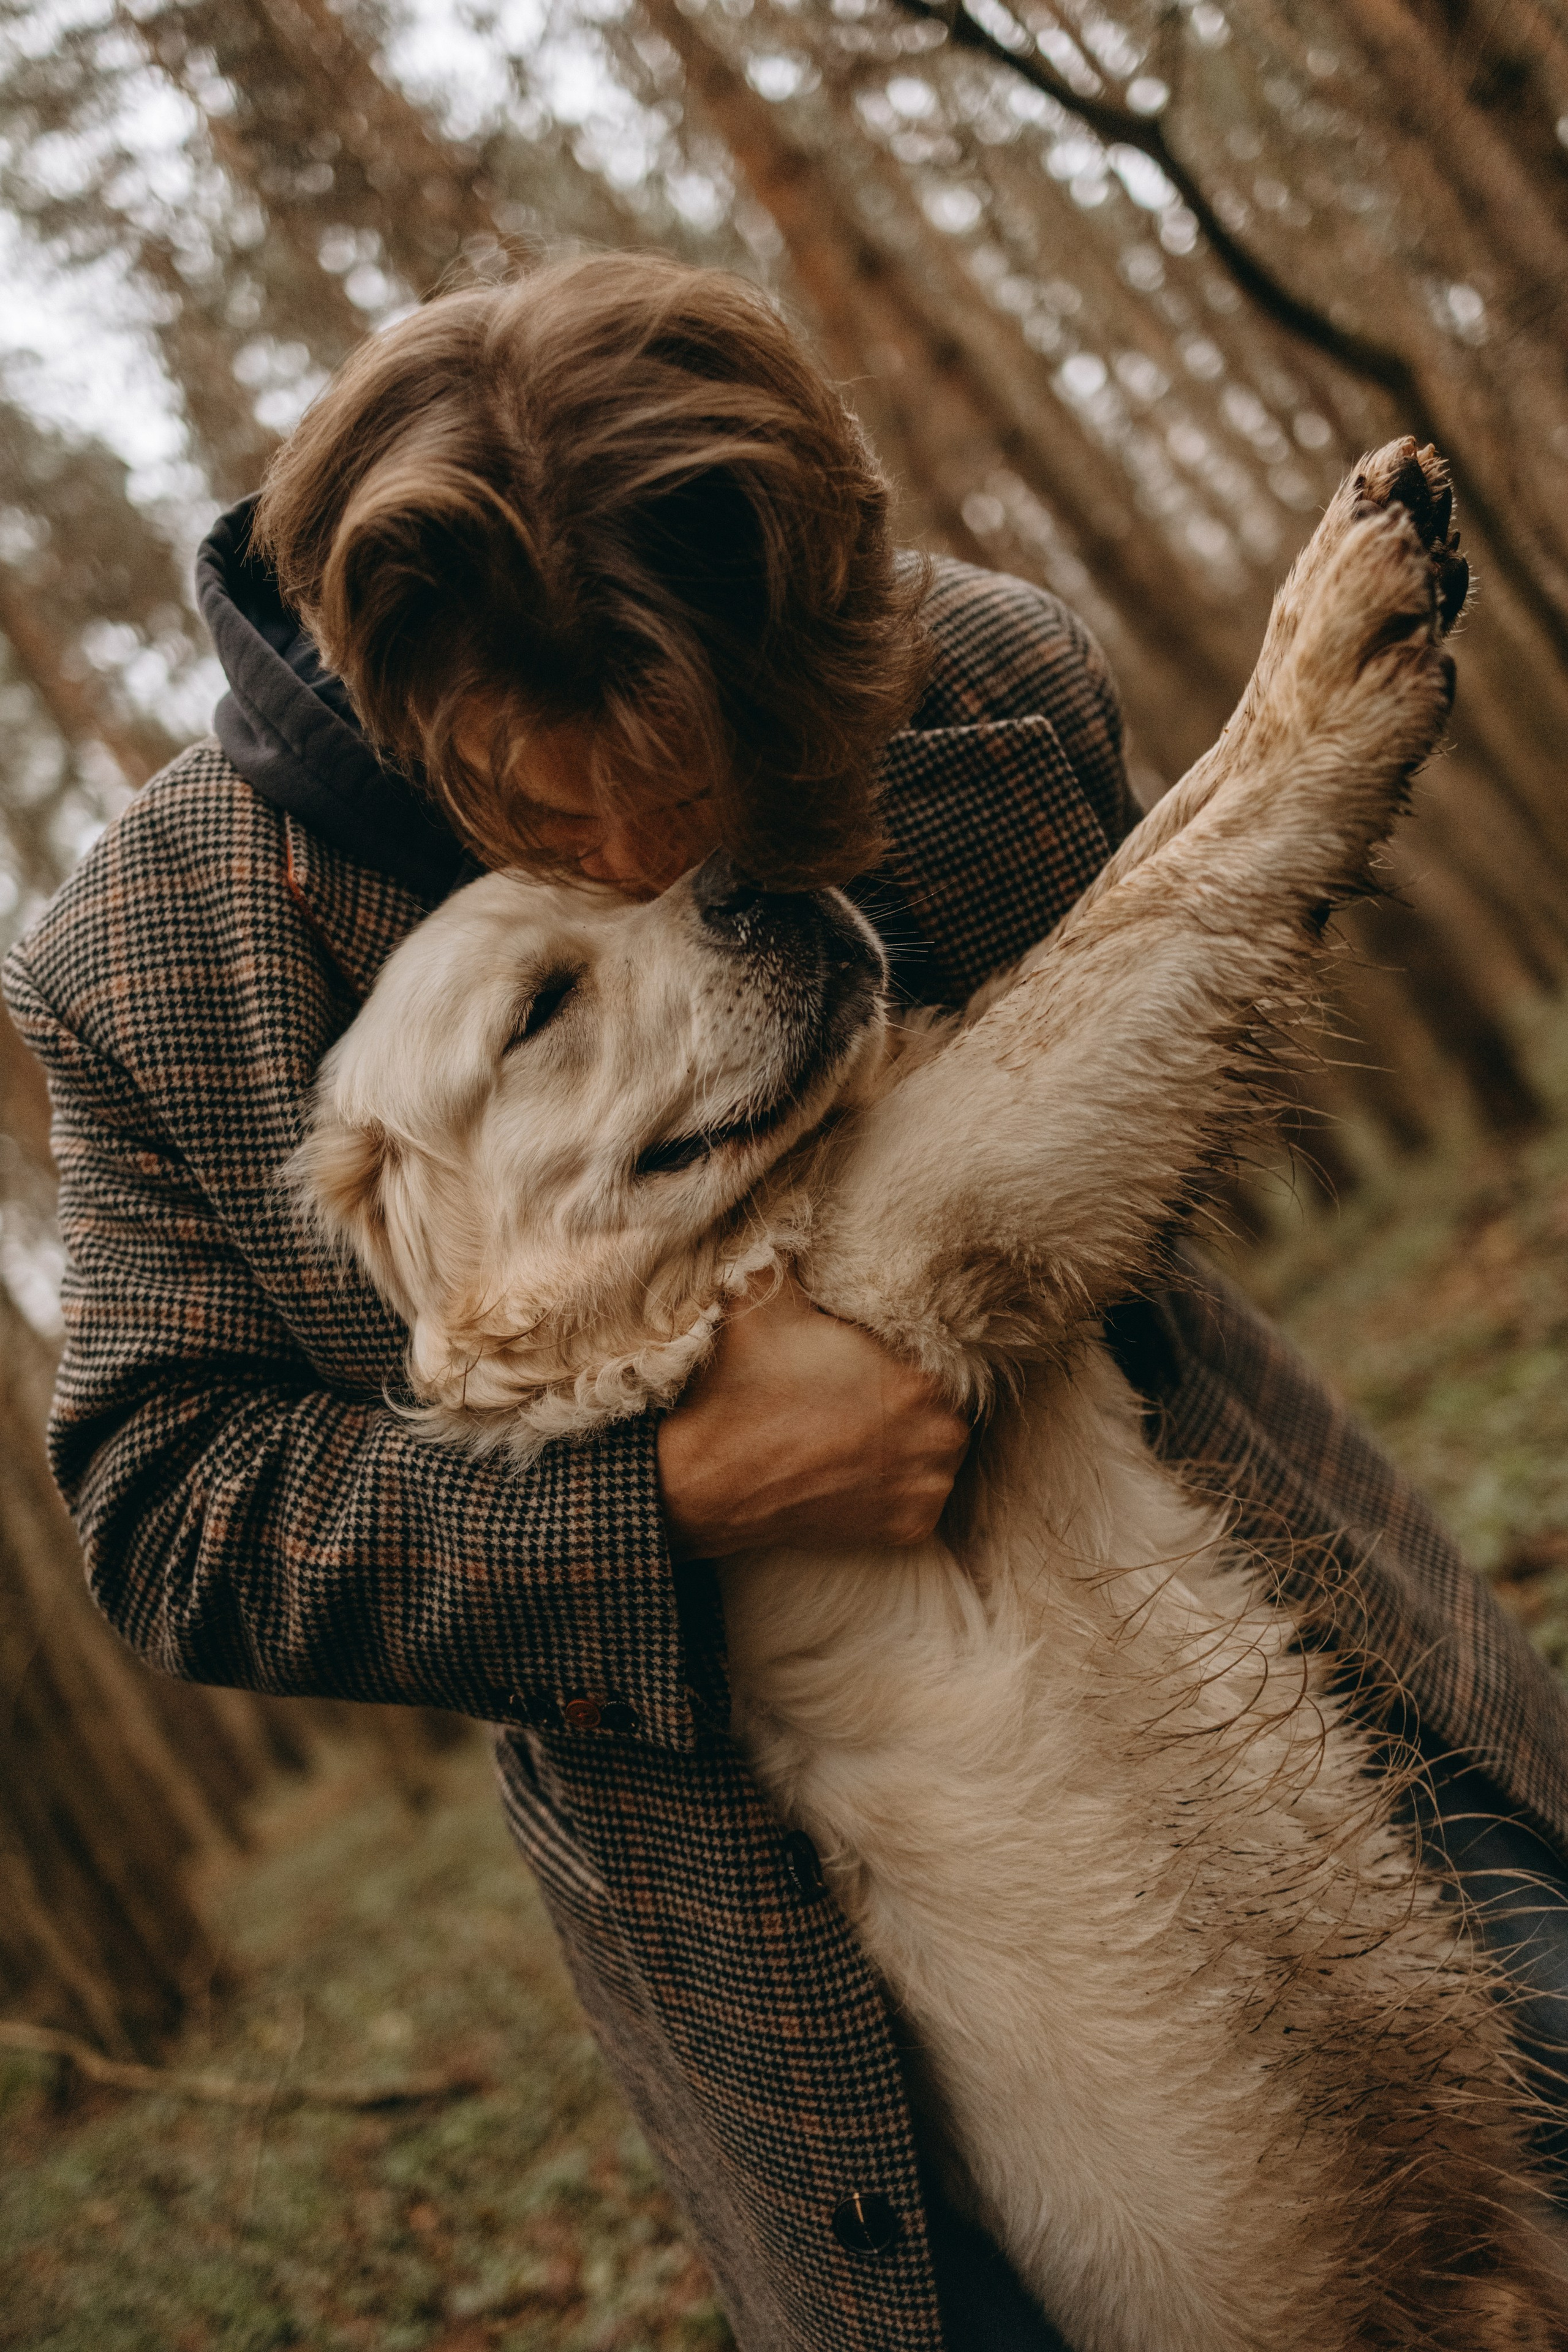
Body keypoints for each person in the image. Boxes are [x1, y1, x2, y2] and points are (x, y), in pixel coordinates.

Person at [7, 251, 1568, 2351]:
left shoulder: (979, 673)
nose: (652, 851)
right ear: (401, 715)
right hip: (776, 1922)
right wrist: (677, 1488)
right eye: (550, 807)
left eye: (712, 786)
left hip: (1249, 1618)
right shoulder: (146, 964)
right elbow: (166, 1507)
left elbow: (1078, 1116)